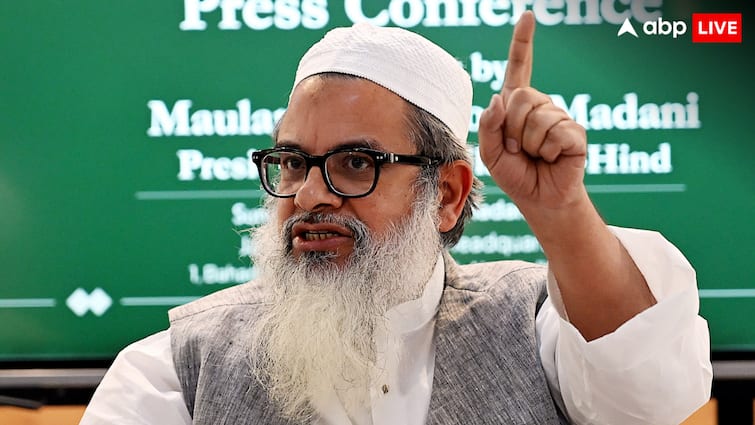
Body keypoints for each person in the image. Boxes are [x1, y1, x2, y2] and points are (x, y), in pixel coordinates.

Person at [80, 11, 711, 425]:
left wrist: (561, 211)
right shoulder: (178, 368)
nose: (310, 195)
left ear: (447, 194)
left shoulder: (535, 324)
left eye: (356, 163)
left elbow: (652, 397)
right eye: (293, 162)